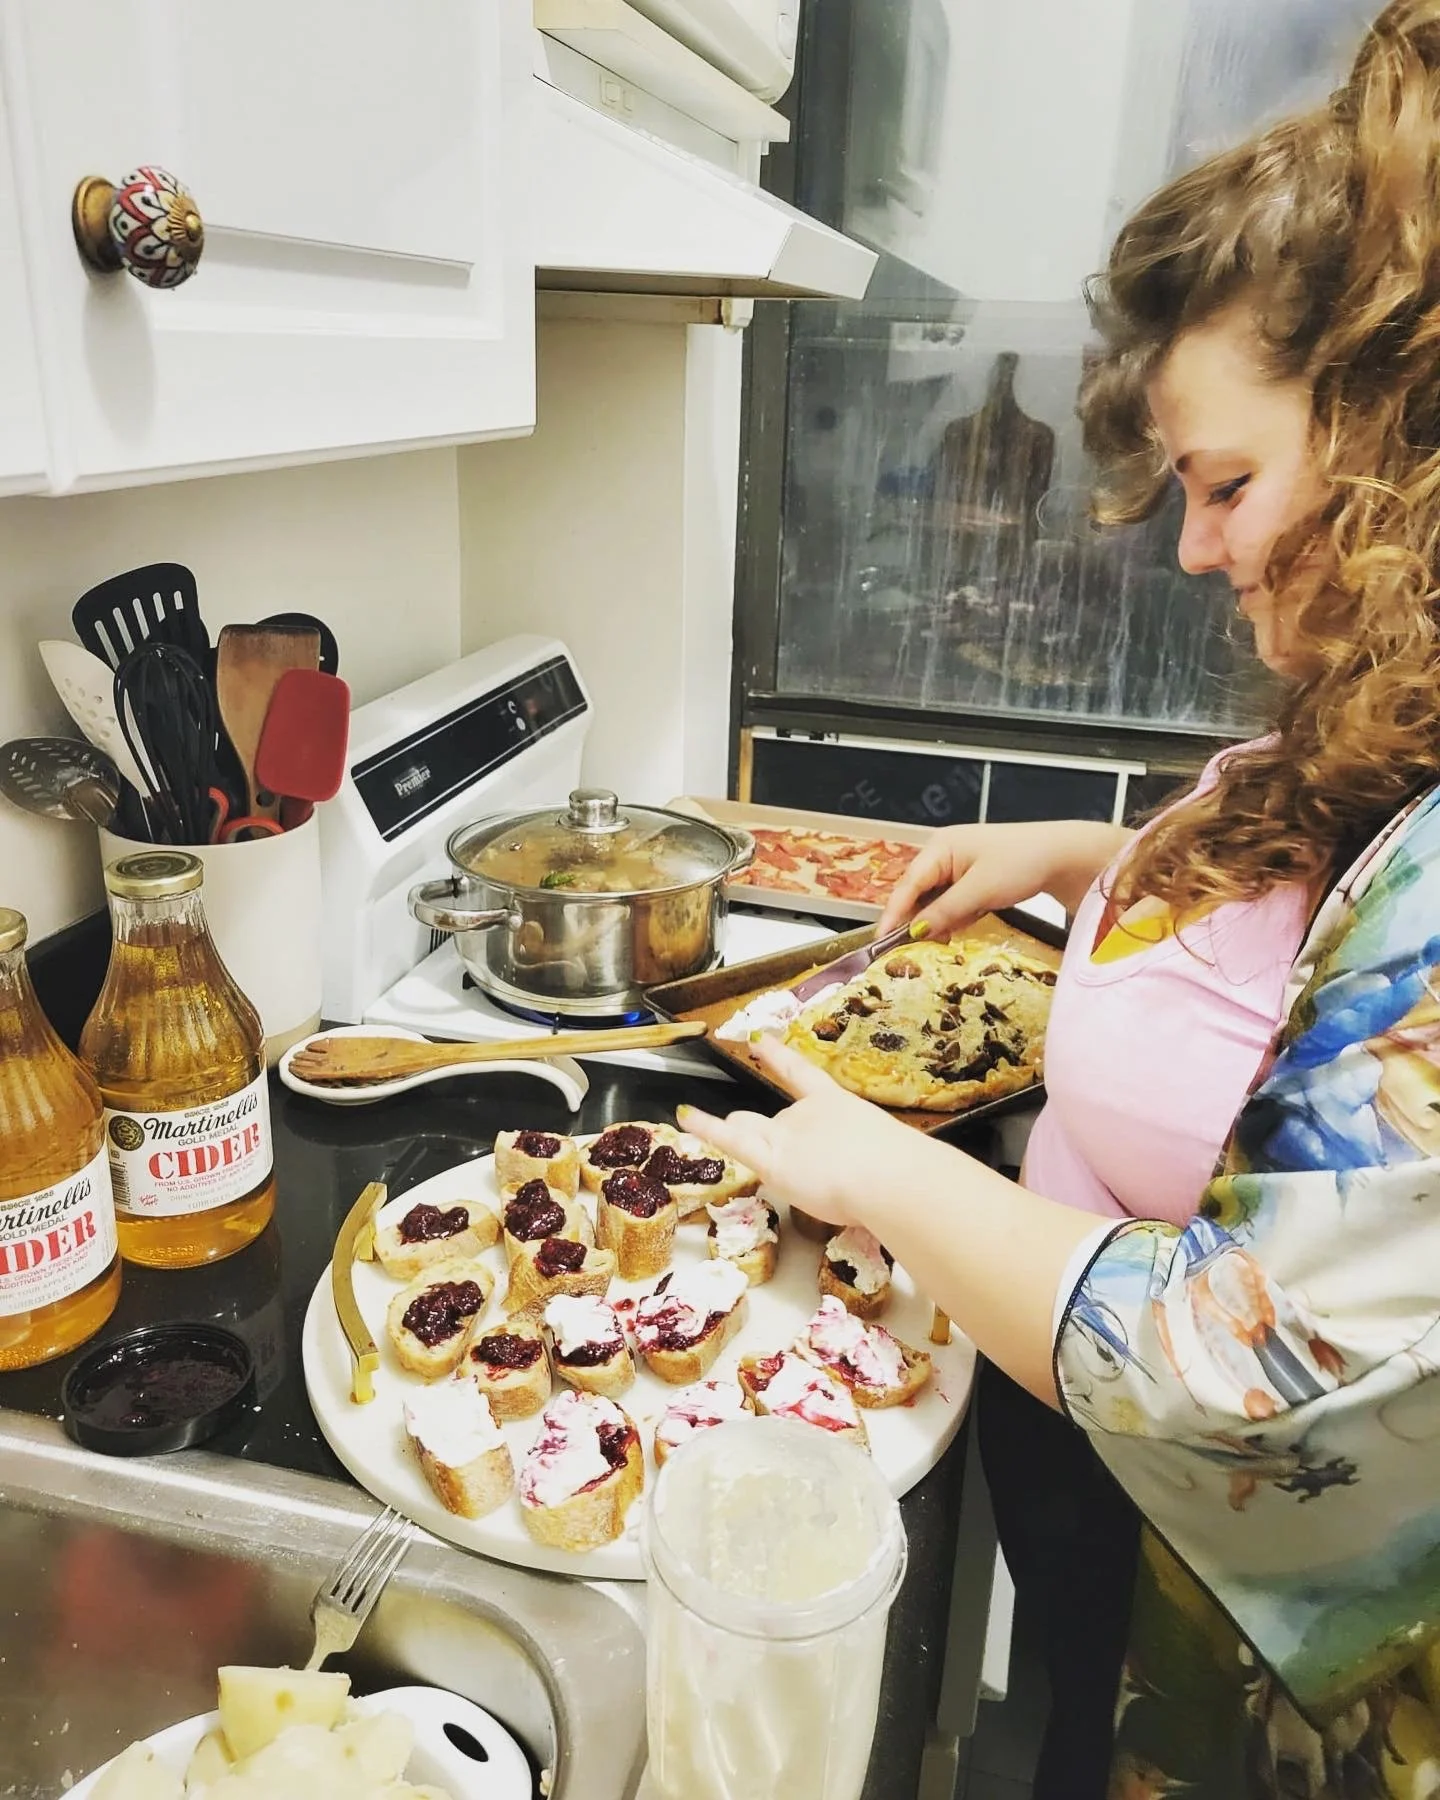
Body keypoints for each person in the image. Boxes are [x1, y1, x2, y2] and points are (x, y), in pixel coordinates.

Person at [684, 5, 1440, 1794]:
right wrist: (1082, 860)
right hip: (1083, 1471)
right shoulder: (1388, 720)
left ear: (1403, 435)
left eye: (1227, 483)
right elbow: (1311, 911)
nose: (1193, 548)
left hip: (1227, 1584)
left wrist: (873, 1160)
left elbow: (1238, 1382)